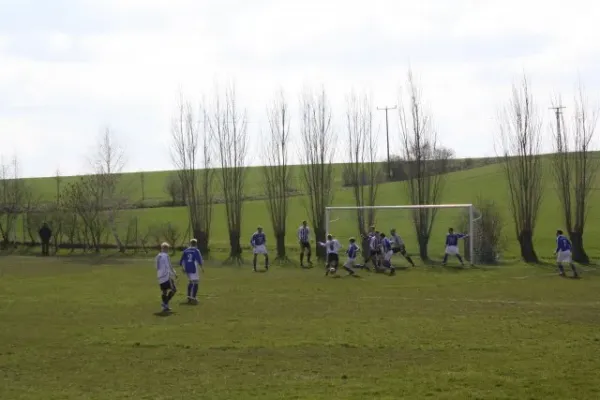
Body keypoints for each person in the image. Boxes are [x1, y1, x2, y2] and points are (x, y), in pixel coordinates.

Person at [179, 239, 204, 304]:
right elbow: (199, 260)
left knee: (190, 282)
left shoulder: (186, 250)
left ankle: (189, 297)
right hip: (194, 267)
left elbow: (181, 260)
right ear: (196, 244)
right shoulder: (196, 250)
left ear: (190, 243)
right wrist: (202, 267)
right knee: (196, 282)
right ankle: (193, 298)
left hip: (187, 268)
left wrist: (183, 268)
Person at [156, 242, 177, 312]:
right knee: (174, 290)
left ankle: (165, 307)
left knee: (164, 291)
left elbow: (156, 266)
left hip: (160, 276)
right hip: (166, 276)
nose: (168, 250)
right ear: (165, 248)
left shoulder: (158, 256)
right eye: (168, 249)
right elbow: (169, 266)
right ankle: (165, 303)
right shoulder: (166, 256)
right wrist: (174, 273)